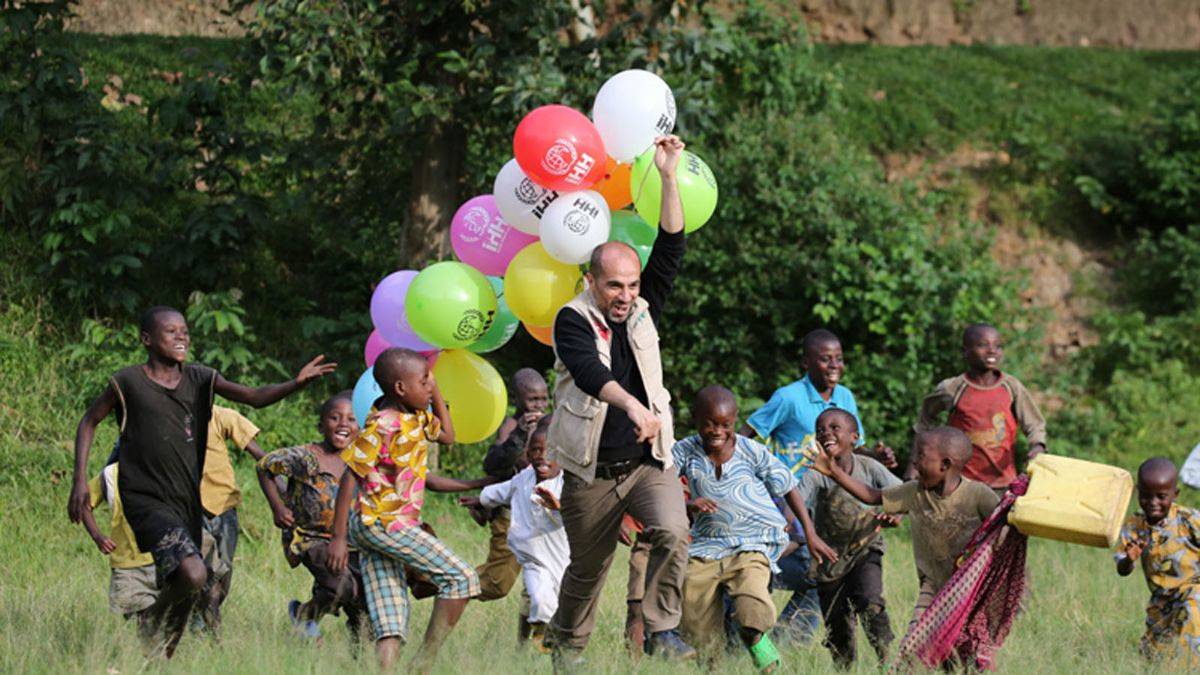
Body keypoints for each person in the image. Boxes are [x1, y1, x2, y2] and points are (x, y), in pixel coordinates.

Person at [67, 305, 336, 658]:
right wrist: (79, 480)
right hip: (145, 498)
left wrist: (295, 384)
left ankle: (159, 654)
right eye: (171, 331)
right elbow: (89, 421)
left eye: (185, 331)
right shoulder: (127, 382)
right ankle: (152, 621)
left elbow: (253, 397)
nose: (182, 336)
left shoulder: (200, 378)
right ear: (147, 339)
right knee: (194, 574)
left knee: (190, 582)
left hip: (186, 502)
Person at [545, 135, 694, 665]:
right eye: (614, 286)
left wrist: (669, 175)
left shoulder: (643, 306)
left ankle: (661, 630)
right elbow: (590, 373)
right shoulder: (571, 319)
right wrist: (633, 407)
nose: (626, 295)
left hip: (647, 462)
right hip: (592, 472)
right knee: (588, 571)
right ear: (591, 281)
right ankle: (565, 648)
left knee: (674, 531)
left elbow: (672, 245)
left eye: (632, 285)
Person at [327, 347, 492, 671]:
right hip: (383, 522)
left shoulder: (417, 418)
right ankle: (422, 665)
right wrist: (338, 538)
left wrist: (434, 387)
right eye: (424, 381)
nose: (430, 386)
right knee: (461, 578)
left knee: (390, 612)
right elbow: (350, 475)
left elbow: (448, 436)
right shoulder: (381, 425)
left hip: (383, 527)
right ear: (401, 388)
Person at [740, 328, 895, 643]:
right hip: (790, 499)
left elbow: (853, 446)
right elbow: (746, 435)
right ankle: (742, 612)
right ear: (806, 363)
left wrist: (876, 456)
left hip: (827, 502)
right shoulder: (788, 397)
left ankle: (784, 638)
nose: (834, 365)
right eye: (825, 359)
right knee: (793, 565)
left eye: (839, 358)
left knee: (823, 571)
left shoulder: (844, 397)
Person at [674, 386, 834, 672]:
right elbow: (663, 486)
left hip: (754, 541)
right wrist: (689, 504)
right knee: (695, 613)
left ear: (734, 420)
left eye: (725, 424)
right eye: (709, 423)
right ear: (695, 418)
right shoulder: (685, 450)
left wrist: (809, 534)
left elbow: (789, 486)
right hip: (707, 544)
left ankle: (756, 640)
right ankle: (711, 665)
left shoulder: (751, 451)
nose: (717, 431)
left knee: (751, 602)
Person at [811, 426, 999, 627]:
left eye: (921, 455)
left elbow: (1003, 527)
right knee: (916, 639)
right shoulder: (914, 492)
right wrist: (833, 472)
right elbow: (871, 496)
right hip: (932, 586)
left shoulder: (978, 494)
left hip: (972, 585)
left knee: (969, 639)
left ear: (945, 464)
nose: (914, 462)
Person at [257, 391, 365, 640]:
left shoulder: (361, 460)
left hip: (351, 541)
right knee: (340, 586)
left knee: (364, 603)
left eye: (351, 419)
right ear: (321, 425)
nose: (343, 424)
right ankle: (304, 614)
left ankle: (357, 650)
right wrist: (278, 507)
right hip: (310, 537)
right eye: (335, 418)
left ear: (360, 428)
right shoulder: (305, 457)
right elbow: (264, 466)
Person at [798, 408, 900, 667]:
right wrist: (804, 532)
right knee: (838, 627)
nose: (826, 433)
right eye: (820, 430)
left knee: (870, 601)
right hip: (829, 559)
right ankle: (845, 668)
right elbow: (796, 502)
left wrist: (894, 515)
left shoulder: (869, 467)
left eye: (835, 428)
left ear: (855, 437)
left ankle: (887, 661)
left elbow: (901, 494)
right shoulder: (815, 473)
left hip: (866, 549)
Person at [461, 416, 567, 650]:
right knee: (538, 596)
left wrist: (557, 506)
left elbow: (577, 511)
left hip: (561, 557)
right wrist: (481, 499)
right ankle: (540, 636)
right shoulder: (523, 478)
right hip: (532, 556)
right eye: (536, 451)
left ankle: (557, 641)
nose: (542, 456)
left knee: (563, 602)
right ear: (528, 454)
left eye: (549, 452)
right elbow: (503, 490)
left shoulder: (567, 482)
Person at [912, 323, 1047, 494]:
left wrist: (1037, 446)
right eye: (983, 345)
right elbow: (925, 422)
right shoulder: (953, 388)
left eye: (997, 346)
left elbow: (1034, 424)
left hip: (1002, 483)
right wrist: (917, 464)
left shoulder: (1011, 387)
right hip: (961, 484)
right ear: (965, 351)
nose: (992, 351)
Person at [472, 368, 549, 641]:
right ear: (517, 400)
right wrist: (519, 434)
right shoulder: (510, 426)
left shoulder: (550, 424)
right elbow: (494, 464)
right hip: (511, 515)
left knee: (537, 585)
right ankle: (451, 583)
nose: (539, 405)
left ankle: (523, 647)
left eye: (543, 399)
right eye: (532, 400)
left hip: (544, 514)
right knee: (497, 582)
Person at [1115, 457, 1200, 664]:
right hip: (1161, 599)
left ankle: (1187, 668)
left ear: (1175, 494)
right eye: (1146, 496)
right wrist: (1129, 559)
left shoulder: (1188, 519)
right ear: (1138, 492)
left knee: (1192, 614)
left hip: (1192, 590)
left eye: (1161, 497)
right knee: (1152, 656)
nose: (1153, 503)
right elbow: (1122, 569)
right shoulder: (1135, 526)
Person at [197, 404, 265, 630]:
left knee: (223, 574)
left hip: (225, 508)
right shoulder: (173, 419)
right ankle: (209, 628)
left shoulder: (221, 416)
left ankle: (204, 615)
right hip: (190, 509)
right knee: (205, 570)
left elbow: (257, 452)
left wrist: (280, 479)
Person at [78, 460, 159, 627]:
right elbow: (84, 505)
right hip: (127, 566)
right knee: (143, 622)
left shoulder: (164, 466)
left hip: (162, 563)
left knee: (159, 623)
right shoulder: (111, 474)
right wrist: (98, 537)